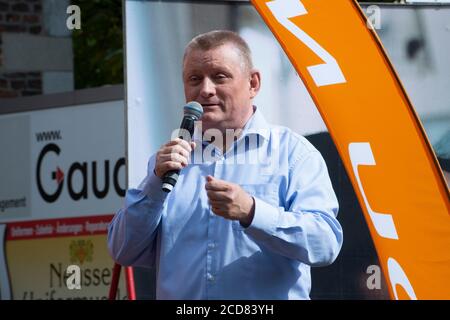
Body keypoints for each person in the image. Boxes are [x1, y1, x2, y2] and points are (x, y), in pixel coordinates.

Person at [108, 30, 343, 299]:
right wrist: (153, 183)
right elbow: (122, 251)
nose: (205, 90)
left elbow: (325, 243)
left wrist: (253, 212)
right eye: (194, 79)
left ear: (253, 83)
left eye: (220, 76)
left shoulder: (292, 154)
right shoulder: (169, 162)